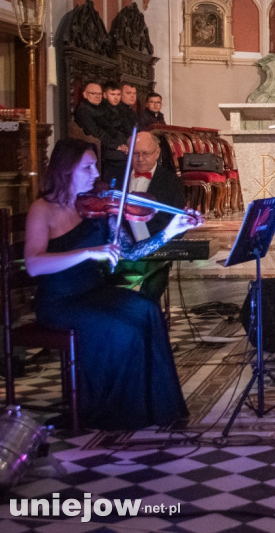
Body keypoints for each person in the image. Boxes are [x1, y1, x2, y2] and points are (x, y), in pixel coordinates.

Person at [24, 139, 201, 431]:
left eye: (95, 165)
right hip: (60, 301)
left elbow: (131, 252)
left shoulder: (99, 205)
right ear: (66, 170)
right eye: (88, 167)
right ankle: (113, 411)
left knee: (146, 309)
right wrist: (89, 252)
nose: (96, 174)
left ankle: (156, 407)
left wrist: (171, 231)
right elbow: (34, 264)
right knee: (122, 327)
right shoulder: (42, 210)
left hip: (93, 292)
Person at [114, 131, 188, 302]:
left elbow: (175, 220)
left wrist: (152, 239)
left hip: (156, 253)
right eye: (135, 153)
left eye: (145, 153)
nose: (140, 159)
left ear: (157, 153)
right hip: (119, 253)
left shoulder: (171, 181)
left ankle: (143, 317)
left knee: (150, 292)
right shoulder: (114, 176)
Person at [74, 80, 129, 182]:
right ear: (85, 94)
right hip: (96, 148)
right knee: (121, 160)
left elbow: (112, 128)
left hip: (107, 145)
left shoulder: (100, 108)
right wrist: (117, 146)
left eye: (99, 94)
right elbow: (96, 132)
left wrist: (123, 144)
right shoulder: (83, 110)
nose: (97, 96)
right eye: (93, 93)